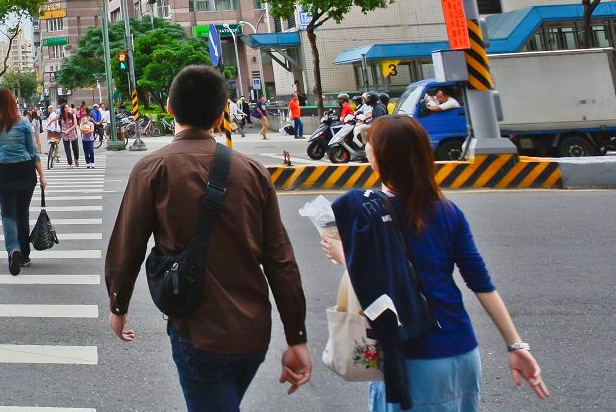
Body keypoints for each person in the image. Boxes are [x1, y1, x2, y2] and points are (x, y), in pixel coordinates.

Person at [105, 66, 311, 412]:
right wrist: (296, 336)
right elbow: (281, 260)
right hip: (253, 334)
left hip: (197, 333)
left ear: (169, 107)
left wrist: (118, 305)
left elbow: (129, 245)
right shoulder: (252, 171)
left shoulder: (152, 168)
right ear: (221, 115)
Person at [322, 116, 550, 411]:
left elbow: (376, 286)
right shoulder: (447, 210)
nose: (366, 148)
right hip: (463, 354)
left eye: (370, 143)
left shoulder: (371, 215)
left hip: (414, 359)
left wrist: (343, 255)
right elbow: (481, 284)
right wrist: (516, 345)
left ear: (381, 158)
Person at [0, 86, 47, 275]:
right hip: (24, 170)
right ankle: (25, 255)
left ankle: (13, 250)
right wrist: (42, 175)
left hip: (2, 171)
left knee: (8, 214)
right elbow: (33, 152)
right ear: (13, 101)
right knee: (22, 213)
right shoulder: (24, 123)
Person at [57, 102, 79, 167]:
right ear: (63, 109)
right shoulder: (60, 116)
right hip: (65, 135)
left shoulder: (72, 115)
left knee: (76, 149)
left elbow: (75, 125)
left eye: (68, 107)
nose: (67, 108)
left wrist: (68, 130)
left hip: (73, 135)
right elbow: (55, 120)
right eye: (66, 107)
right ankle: (70, 163)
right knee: (67, 150)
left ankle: (76, 159)